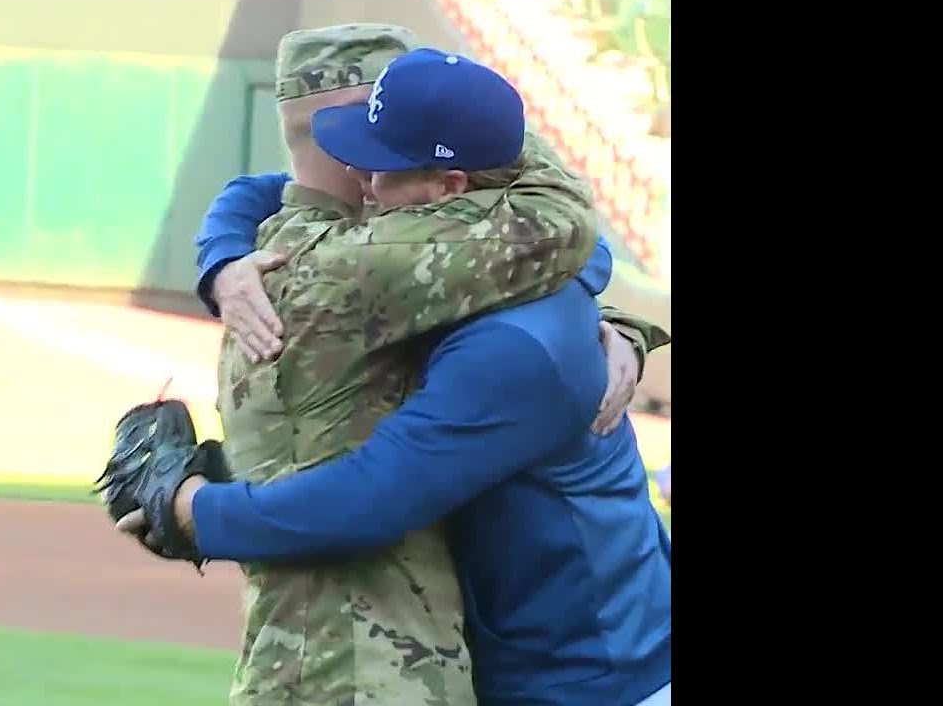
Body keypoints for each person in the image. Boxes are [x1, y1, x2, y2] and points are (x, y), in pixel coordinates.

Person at [121, 46, 671, 706]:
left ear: (450, 188)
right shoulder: (480, 259)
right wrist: (224, 259)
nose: (362, 182)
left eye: (382, 168)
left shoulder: (516, 344)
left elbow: (368, 501)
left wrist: (191, 512)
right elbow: (272, 190)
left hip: (599, 680)